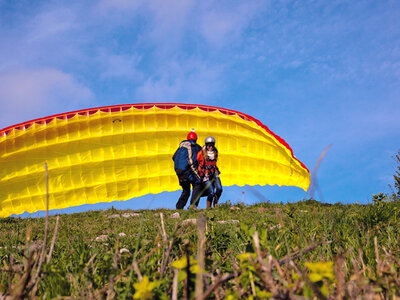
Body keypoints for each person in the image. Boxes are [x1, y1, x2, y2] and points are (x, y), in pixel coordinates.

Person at [172, 130, 203, 209]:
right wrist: (197, 174)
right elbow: (192, 161)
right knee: (197, 184)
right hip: (187, 170)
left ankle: (179, 207)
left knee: (186, 190)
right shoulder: (194, 146)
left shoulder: (181, 147)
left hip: (178, 171)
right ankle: (193, 205)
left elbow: (173, 157)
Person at [197, 136, 223, 208]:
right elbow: (198, 163)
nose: (210, 147)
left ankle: (215, 203)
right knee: (211, 192)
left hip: (214, 174)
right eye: (209, 145)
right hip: (206, 175)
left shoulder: (215, 152)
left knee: (219, 189)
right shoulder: (201, 153)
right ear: (206, 145)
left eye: (212, 145)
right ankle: (208, 208)